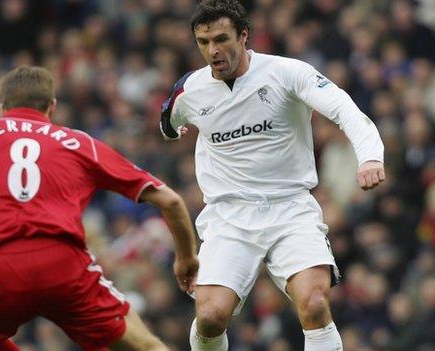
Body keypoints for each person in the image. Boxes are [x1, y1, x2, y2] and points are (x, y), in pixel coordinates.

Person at [159, 1, 386, 350]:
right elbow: (167, 122)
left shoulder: (286, 73)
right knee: (210, 316)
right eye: (203, 42)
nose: (213, 50)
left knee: (314, 302)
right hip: (228, 215)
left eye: (221, 39)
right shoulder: (190, 90)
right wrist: (175, 133)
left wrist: (370, 157)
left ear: (244, 35)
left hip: (290, 208)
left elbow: (344, 109)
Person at [0, 66, 199, 351]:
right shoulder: (78, 142)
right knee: (145, 345)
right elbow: (170, 200)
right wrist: (186, 258)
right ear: (52, 107)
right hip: (64, 265)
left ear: (2, 107)